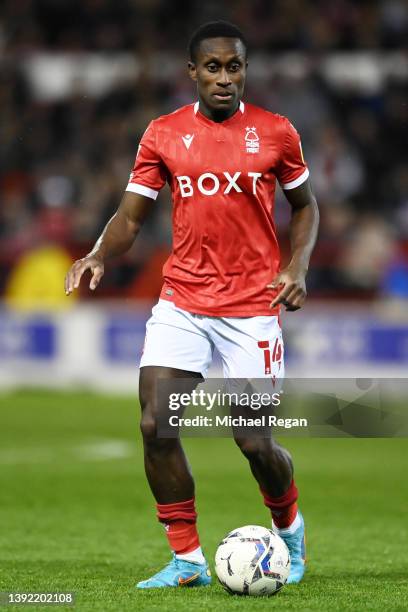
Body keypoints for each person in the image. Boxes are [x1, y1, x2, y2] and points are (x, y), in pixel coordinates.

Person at [65, 20, 319, 589]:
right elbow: (132, 215)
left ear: (245, 71)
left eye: (234, 67)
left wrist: (295, 266)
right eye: (213, 67)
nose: (224, 78)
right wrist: (99, 252)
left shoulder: (277, 133)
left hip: (253, 305)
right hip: (182, 301)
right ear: (193, 72)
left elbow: (306, 206)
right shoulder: (162, 134)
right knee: (157, 424)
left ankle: (290, 527)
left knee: (253, 441)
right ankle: (187, 561)